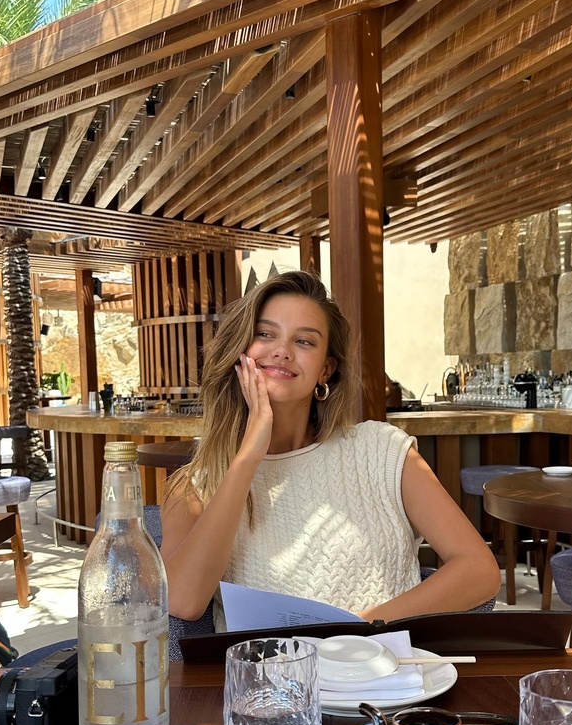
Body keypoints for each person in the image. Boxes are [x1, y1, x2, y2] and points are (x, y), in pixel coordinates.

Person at [160, 270, 500, 634]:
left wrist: (356, 634)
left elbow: (479, 570)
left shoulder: (382, 451)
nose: (282, 351)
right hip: (265, 671)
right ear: (240, 351)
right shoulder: (193, 487)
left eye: (304, 341)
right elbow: (182, 601)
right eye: (265, 334)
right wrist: (247, 457)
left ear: (326, 369)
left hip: (385, 664)